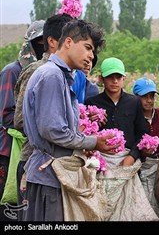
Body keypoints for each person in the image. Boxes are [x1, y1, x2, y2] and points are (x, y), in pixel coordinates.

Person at [22, 19, 119, 221]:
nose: (91, 56)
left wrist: (84, 141)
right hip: (48, 176)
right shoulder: (52, 76)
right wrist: (94, 142)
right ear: (67, 42)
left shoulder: (61, 76)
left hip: (53, 174)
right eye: (88, 48)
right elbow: (53, 130)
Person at [13, 13, 73, 221]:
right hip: (35, 162)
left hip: (56, 166)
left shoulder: (65, 74)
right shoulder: (41, 72)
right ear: (53, 41)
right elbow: (20, 120)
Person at [0, 20, 44, 220]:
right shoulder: (13, 71)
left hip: (30, 150)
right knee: (8, 205)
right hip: (9, 150)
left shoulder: (45, 72)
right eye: (39, 41)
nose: (43, 45)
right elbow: (6, 115)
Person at [85, 57, 149, 167]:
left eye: (118, 77)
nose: (115, 81)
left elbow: (142, 133)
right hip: (100, 160)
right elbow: (85, 133)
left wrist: (132, 156)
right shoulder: (92, 103)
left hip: (127, 158)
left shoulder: (134, 102)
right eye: (110, 77)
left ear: (123, 78)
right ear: (101, 78)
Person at [133, 77, 159, 221]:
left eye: (152, 96)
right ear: (136, 97)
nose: (149, 100)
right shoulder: (133, 119)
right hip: (143, 167)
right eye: (144, 96)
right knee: (146, 205)